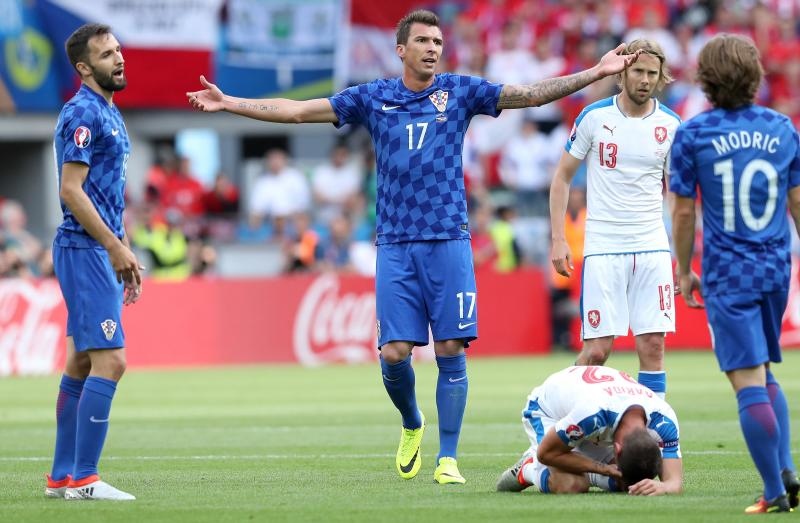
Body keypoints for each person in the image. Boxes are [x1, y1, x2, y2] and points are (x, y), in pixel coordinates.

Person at [187, 9, 642, 484]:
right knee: (394, 354)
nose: (432, 48)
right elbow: (299, 111)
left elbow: (527, 95)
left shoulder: (461, 91)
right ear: (400, 50)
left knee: (450, 347)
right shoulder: (372, 97)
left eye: (437, 41)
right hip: (396, 244)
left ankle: (448, 459)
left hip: (448, 238)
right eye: (422, 41)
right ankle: (411, 422)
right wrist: (230, 102)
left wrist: (596, 71)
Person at [670, 33, 800, 514]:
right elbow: (798, 202)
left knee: (746, 380)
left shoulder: (694, 134)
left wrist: (684, 270)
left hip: (729, 273)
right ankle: (785, 469)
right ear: (755, 75)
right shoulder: (784, 129)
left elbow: (683, 215)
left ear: (704, 79)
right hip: (775, 269)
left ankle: (774, 491)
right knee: (764, 371)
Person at [549, 39, 680, 399]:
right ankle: (556, 422)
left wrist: (681, 258)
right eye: (638, 71)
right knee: (597, 352)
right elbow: (561, 177)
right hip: (604, 247)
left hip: (652, 245)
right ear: (622, 72)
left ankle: (652, 441)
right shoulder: (594, 117)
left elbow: (679, 196)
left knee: (653, 346)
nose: (645, 79)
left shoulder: (671, 125)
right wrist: (558, 238)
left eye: (652, 74)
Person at [46, 23, 142, 501]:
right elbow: (70, 191)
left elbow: (106, 196)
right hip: (84, 250)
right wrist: (113, 247)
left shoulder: (108, 109)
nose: (118, 59)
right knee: (112, 361)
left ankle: (62, 475)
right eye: (107, 55)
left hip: (94, 249)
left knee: (81, 361)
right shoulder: (84, 112)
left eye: (118, 50)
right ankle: (84, 478)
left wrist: (123, 247)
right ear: (84, 68)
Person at [496, 365, 683, 496]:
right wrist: (602, 468)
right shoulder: (593, 414)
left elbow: (674, 482)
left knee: (628, 484)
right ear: (617, 449)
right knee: (572, 485)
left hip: (591, 414)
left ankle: (591, 467)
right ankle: (528, 467)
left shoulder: (664, 419)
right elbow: (547, 453)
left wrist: (663, 487)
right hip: (547, 411)